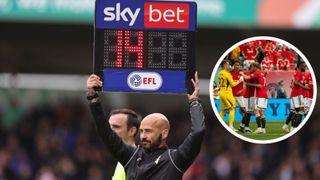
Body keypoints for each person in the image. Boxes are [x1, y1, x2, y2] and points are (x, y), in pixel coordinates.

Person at [87, 73, 205, 180]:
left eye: (148, 131)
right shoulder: (131, 156)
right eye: (142, 131)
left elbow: (198, 132)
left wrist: (194, 102)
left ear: (164, 133)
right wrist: (93, 97)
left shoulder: (175, 159)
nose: (143, 136)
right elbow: (105, 132)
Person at [109, 108, 141, 180]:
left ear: (132, 131)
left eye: (116, 127)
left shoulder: (137, 161)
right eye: (109, 127)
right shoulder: (122, 158)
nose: (110, 131)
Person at [242, 62, 268, 134]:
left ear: (255, 67)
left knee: (256, 111)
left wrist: (242, 74)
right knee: (262, 112)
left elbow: (259, 86)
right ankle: (263, 129)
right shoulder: (262, 73)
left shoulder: (257, 73)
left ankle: (259, 128)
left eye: (252, 67)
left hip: (260, 95)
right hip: (265, 95)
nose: (251, 68)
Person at [218, 60, 242, 131]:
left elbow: (227, 82)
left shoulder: (220, 73)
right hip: (227, 94)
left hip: (221, 94)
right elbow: (233, 84)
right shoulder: (227, 74)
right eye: (228, 64)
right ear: (224, 65)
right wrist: (240, 80)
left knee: (223, 110)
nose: (229, 66)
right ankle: (231, 126)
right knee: (233, 108)